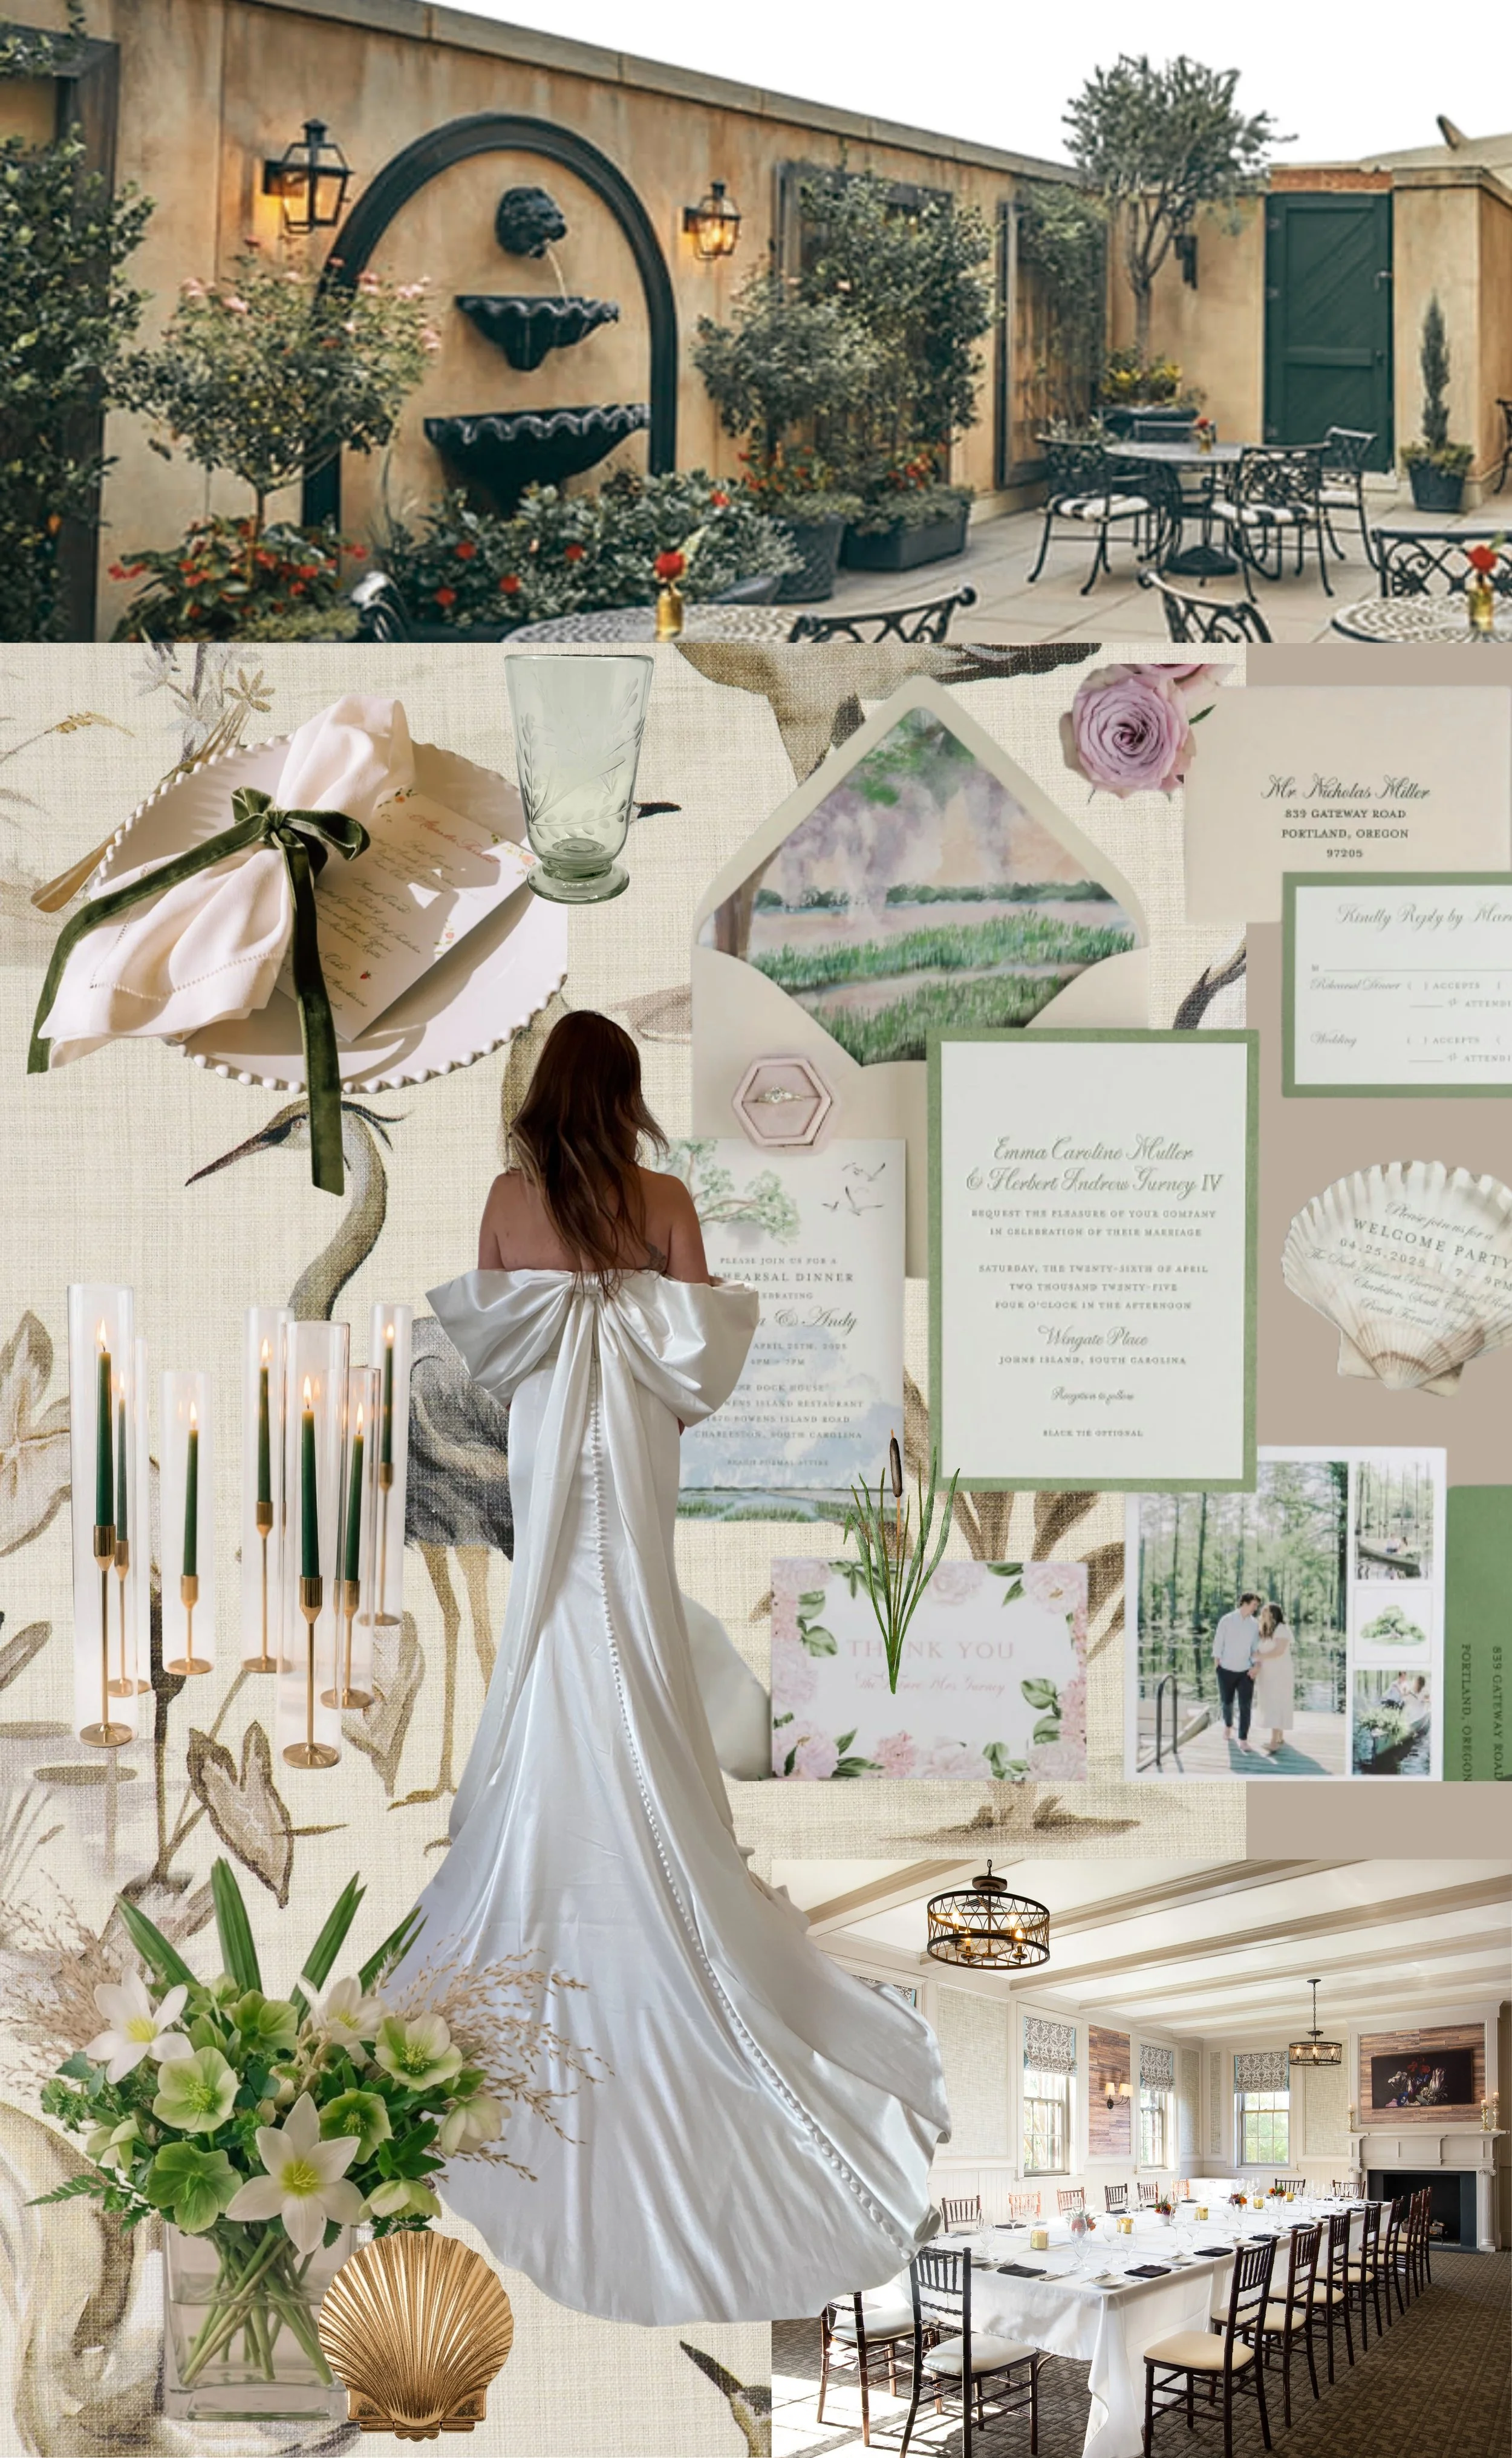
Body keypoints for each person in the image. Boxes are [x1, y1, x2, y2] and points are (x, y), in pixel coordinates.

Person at [397, 1010, 947, 2326]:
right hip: (636, 1446)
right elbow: (701, 1370)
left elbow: (492, 1354)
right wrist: (625, 1319)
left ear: (543, 1091)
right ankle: (645, 1817)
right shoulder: (662, 1200)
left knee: (555, 1616)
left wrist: (571, 1325)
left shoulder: (508, 1199)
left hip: (550, 1440)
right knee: (627, 1613)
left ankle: (563, 1810)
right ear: (627, 1091)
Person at [1211, 1591, 1262, 1753]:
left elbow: (1255, 1647)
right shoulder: (1226, 1620)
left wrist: (1257, 1665)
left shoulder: (1254, 1624)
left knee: (1245, 1706)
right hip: (1225, 1669)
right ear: (1245, 1603)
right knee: (1227, 1702)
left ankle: (1243, 1739)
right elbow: (1218, 1643)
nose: (1256, 1608)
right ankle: (1228, 1725)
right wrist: (1218, 1667)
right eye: (1254, 1605)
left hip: (1246, 1672)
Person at [1253, 1601, 1295, 1757]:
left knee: (1276, 1702)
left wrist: (1260, 1656)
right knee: (1272, 1702)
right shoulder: (1267, 1631)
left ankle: (1274, 1742)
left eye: (1265, 1612)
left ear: (1273, 1614)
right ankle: (1279, 1736)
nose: (1262, 1615)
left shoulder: (1281, 1629)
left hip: (1279, 1673)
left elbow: (1279, 1651)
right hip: (1268, 1673)